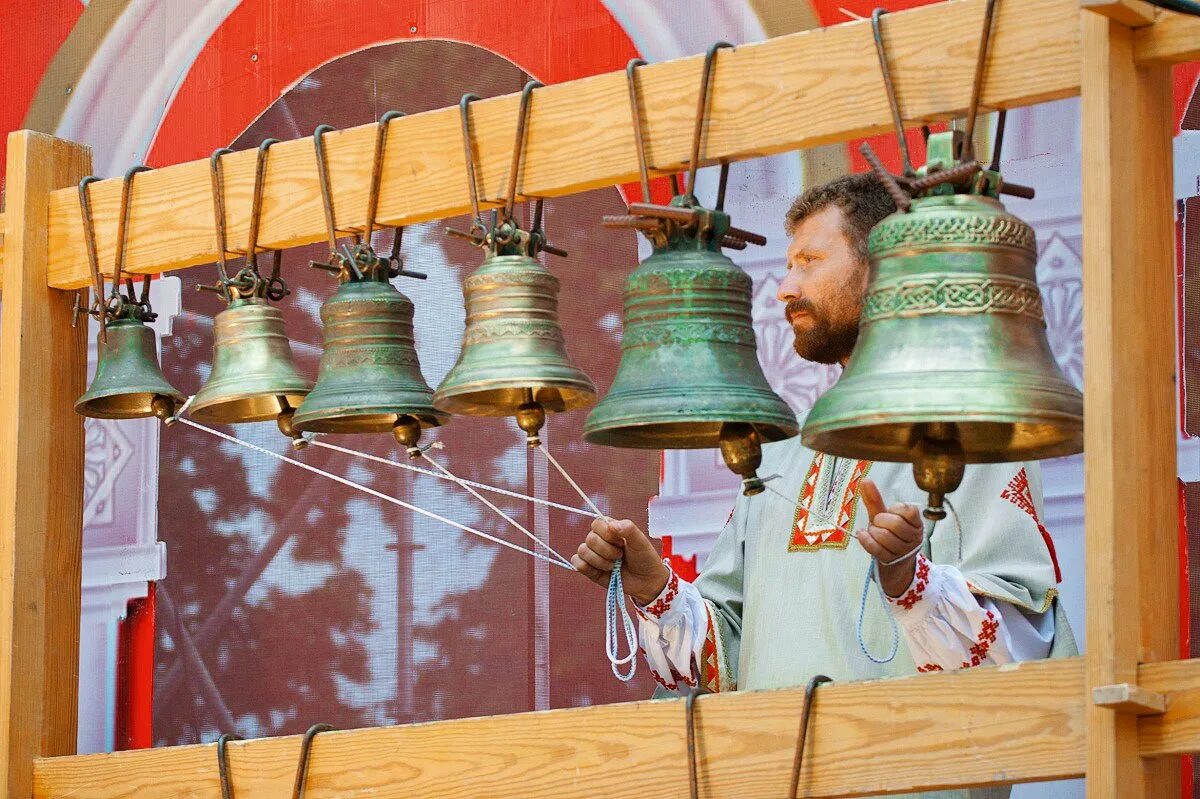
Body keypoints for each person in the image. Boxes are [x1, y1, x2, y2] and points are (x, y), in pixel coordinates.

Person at [573, 173, 1076, 799]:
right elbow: (728, 660)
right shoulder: (779, 458)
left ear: (880, 269)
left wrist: (911, 582)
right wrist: (652, 588)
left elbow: (1023, 656)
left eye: (809, 261)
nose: (784, 288)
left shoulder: (980, 439)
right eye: (788, 266)